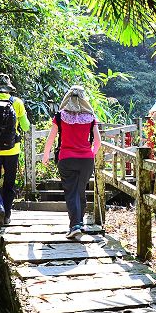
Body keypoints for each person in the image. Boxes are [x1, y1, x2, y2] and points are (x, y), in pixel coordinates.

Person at [42, 85, 102, 238]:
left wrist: (46, 155)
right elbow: (98, 142)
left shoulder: (60, 116)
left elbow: (51, 138)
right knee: (80, 191)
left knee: (71, 192)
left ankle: (75, 225)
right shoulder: (91, 117)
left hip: (67, 158)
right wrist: (91, 154)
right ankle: (79, 223)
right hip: (86, 160)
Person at [0, 74, 30, 228]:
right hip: (12, 150)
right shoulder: (18, 103)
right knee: (9, 183)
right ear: (9, 88)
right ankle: (7, 215)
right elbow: (26, 127)